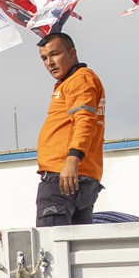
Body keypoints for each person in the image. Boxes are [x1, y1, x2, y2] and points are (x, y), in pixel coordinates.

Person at [35, 31, 106, 225]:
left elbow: (85, 121)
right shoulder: (71, 81)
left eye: (55, 54)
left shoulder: (79, 79)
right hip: (78, 176)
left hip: (64, 176)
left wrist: (73, 158)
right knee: (76, 249)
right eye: (44, 58)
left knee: (50, 246)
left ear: (72, 53)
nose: (50, 62)